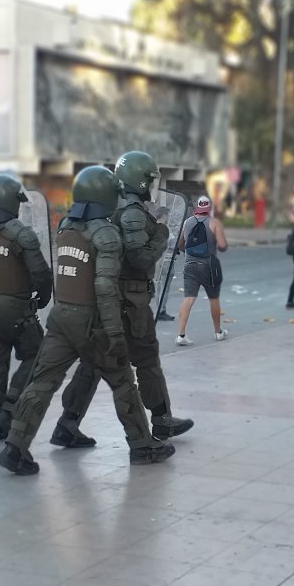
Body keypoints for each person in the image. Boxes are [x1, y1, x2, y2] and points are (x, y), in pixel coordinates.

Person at [0, 166, 174, 475]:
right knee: (122, 382)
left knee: (41, 383)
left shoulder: (66, 225)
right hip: (91, 322)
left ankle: (15, 446)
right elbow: (105, 288)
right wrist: (115, 333)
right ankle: (143, 446)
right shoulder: (105, 234)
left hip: (61, 317)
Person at [53, 152, 194, 448]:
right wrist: (162, 236)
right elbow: (139, 257)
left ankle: (67, 422)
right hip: (130, 299)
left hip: (108, 300)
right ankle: (161, 419)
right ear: (139, 180)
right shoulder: (132, 212)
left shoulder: (107, 209)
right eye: (149, 179)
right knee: (146, 359)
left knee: (93, 363)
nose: (151, 185)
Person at [0, 174, 52, 443]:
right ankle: (9, 409)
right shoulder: (20, 234)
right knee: (37, 356)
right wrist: (43, 297)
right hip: (14, 307)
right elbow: (40, 272)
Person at [175, 196, 229, 345]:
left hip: (190, 264)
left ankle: (181, 335)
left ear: (195, 208)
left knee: (189, 298)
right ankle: (218, 332)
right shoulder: (214, 222)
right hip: (209, 266)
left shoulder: (187, 222)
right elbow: (223, 246)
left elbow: (180, 244)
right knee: (213, 298)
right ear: (209, 208)